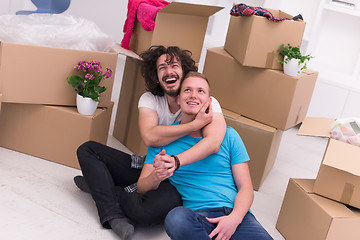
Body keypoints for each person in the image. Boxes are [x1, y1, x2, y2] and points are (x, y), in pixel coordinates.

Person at [74, 46, 226, 239]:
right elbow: (150, 137)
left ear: (185, 72)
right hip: (149, 165)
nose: (168, 71)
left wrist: (175, 161)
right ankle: (112, 214)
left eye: (174, 66)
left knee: (145, 213)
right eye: (162, 67)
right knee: (87, 150)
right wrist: (194, 125)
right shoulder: (150, 99)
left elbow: (214, 142)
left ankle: (102, 188)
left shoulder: (205, 100)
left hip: (178, 177)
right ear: (156, 76)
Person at [137, 72, 273, 240]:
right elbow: (142, 186)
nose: (194, 95)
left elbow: (246, 188)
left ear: (209, 102)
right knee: (175, 218)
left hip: (236, 216)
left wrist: (234, 219)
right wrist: (157, 175)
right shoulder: (162, 142)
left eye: (200, 91)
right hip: (198, 219)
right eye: (187, 90)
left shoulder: (229, 136)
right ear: (178, 99)